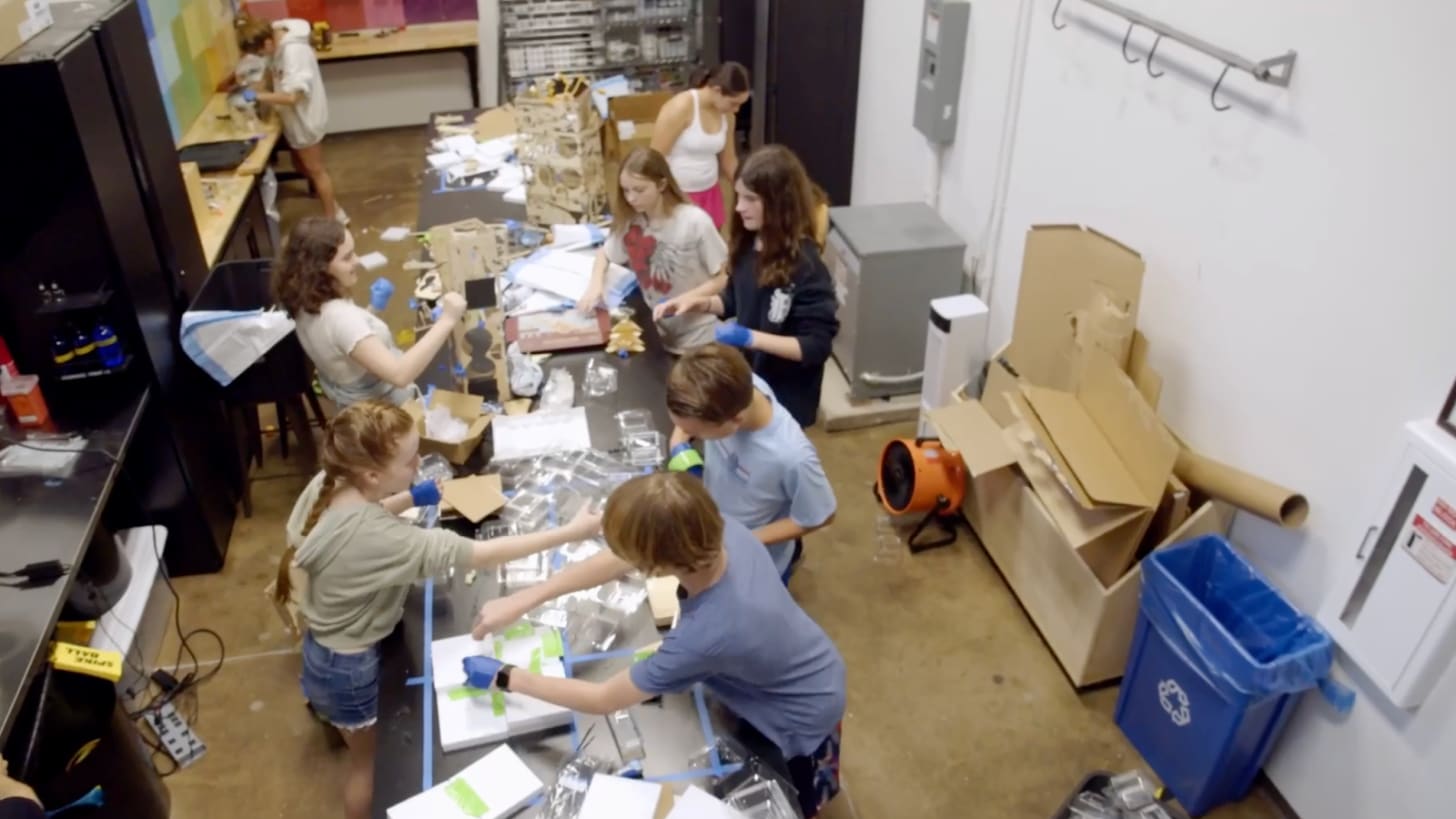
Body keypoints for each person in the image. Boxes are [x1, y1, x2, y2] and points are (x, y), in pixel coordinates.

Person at [283, 400, 601, 819]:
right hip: (347, 667)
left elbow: (362, 514)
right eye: (409, 459)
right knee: (368, 768)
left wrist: (409, 497)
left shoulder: (331, 481)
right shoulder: (384, 539)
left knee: (351, 735)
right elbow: (484, 554)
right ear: (373, 474)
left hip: (324, 648)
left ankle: (334, 719)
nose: (420, 462)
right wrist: (569, 532)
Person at [463, 473, 846, 819]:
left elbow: (602, 699)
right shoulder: (713, 530)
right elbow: (614, 561)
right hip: (797, 655)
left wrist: (506, 676)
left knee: (799, 801)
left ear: (658, 566)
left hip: (806, 712)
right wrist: (524, 598)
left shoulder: (706, 635)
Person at [654, 145, 840, 427]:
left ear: (780, 203)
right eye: (739, 196)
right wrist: (700, 303)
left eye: (751, 199)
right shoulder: (749, 244)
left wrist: (749, 338)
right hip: (752, 384)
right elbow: (734, 300)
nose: (739, 207)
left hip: (786, 398)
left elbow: (814, 346)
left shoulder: (808, 269)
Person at [666, 343, 835, 579]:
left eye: (696, 432)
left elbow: (821, 515)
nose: (687, 433)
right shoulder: (736, 384)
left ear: (735, 421)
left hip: (759, 560)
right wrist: (679, 443)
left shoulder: (791, 457)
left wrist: (745, 542)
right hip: (719, 524)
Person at [275, 217, 464, 408]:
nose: (357, 260)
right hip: (381, 413)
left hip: (348, 398)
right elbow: (400, 375)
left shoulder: (302, 297)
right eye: (347, 257)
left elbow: (342, 343)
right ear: (319, 268)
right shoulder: (341, 318)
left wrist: (373, 310)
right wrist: (446, 320)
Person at [576, 147, 728, 354]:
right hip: (659, 335)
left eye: (639, 190)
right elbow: (605, 253)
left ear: (662, 185)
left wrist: (688, 299)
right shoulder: (632, 222)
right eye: (626, 190)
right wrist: (595, 286)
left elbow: (722, 278)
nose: (631, 198)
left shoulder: (694, 222)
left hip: (700, 337)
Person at [235, 16, 346, 224]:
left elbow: (293, 97)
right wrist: (257, 86)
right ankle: (335, 210)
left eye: (260, 52)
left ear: (268, 43)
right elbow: (271, 70)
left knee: (316, 171)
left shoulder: (294, 53)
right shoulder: (276, 37)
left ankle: (334, 220)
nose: (262, 56)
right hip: (293, 118)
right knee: (301, 166)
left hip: (305, 118)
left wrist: (257, 96)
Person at [650, 62, 751, 229]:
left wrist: (747, 191)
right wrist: (678, 196)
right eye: (733, 103)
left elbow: (729, 161)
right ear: (717, 90)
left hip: (710, 192)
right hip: (677, 194)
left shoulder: (727, 116)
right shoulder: (681, 107)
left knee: (710, 245)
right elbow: (654, 160)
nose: (737, 110)